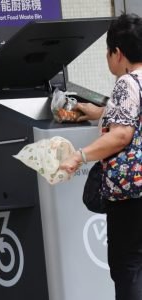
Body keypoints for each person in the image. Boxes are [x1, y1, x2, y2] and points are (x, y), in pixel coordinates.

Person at [60, 13, 142, 300]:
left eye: (108, 52)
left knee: (127, 266)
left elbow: (121, 135)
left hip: (132, 193)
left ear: (117, 53)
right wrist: (99, 112)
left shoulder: (127, 83)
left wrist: (78, 156)